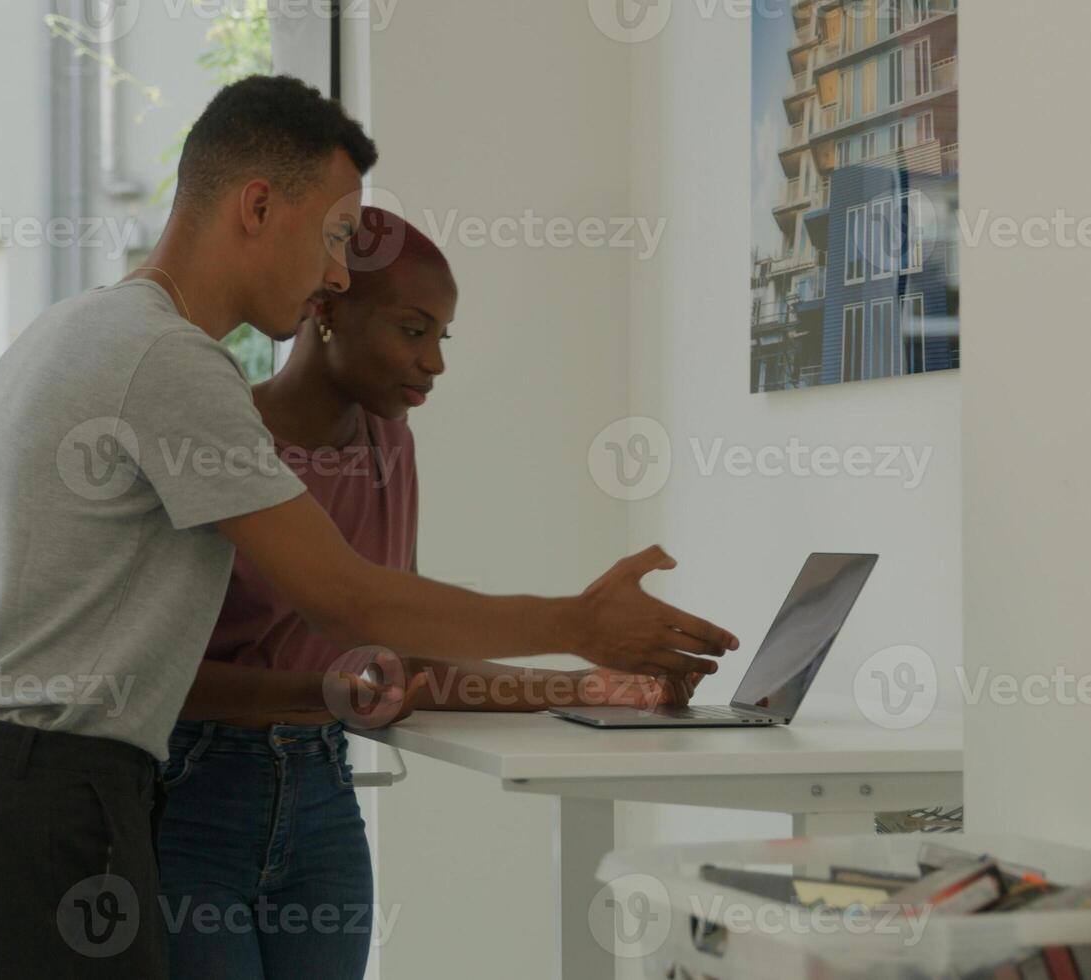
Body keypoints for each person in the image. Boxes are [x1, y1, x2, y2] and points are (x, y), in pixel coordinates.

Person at [0, 75, 737, 979]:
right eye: (336, 236)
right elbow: (346, 599)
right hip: (53, 800)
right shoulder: (170, 362)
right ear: (259, 206)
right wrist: (578, 626)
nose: (338, 271)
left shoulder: (63, 334)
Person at [155, 209, 698, 978]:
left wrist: (596, 688)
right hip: (194, 797)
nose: (434, 361)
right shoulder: (219, 437)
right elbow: (162, 681)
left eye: (442, 336)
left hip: (322, 796)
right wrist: (328, 689)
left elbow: (397, 661)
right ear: (325, 308)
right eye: (414, 330)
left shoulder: (388, 444)